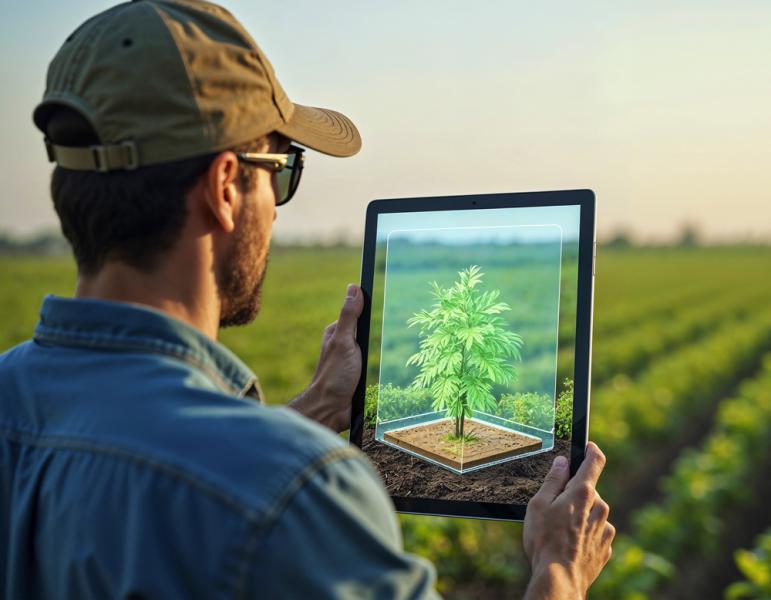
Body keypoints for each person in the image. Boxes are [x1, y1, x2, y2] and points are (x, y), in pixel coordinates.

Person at [0, 1, 614, 598]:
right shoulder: (298, 494)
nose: (275, 207)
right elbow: (244, 485)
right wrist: (559, 571)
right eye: (283, 170)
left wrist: (318, 405)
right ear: (224, 188)